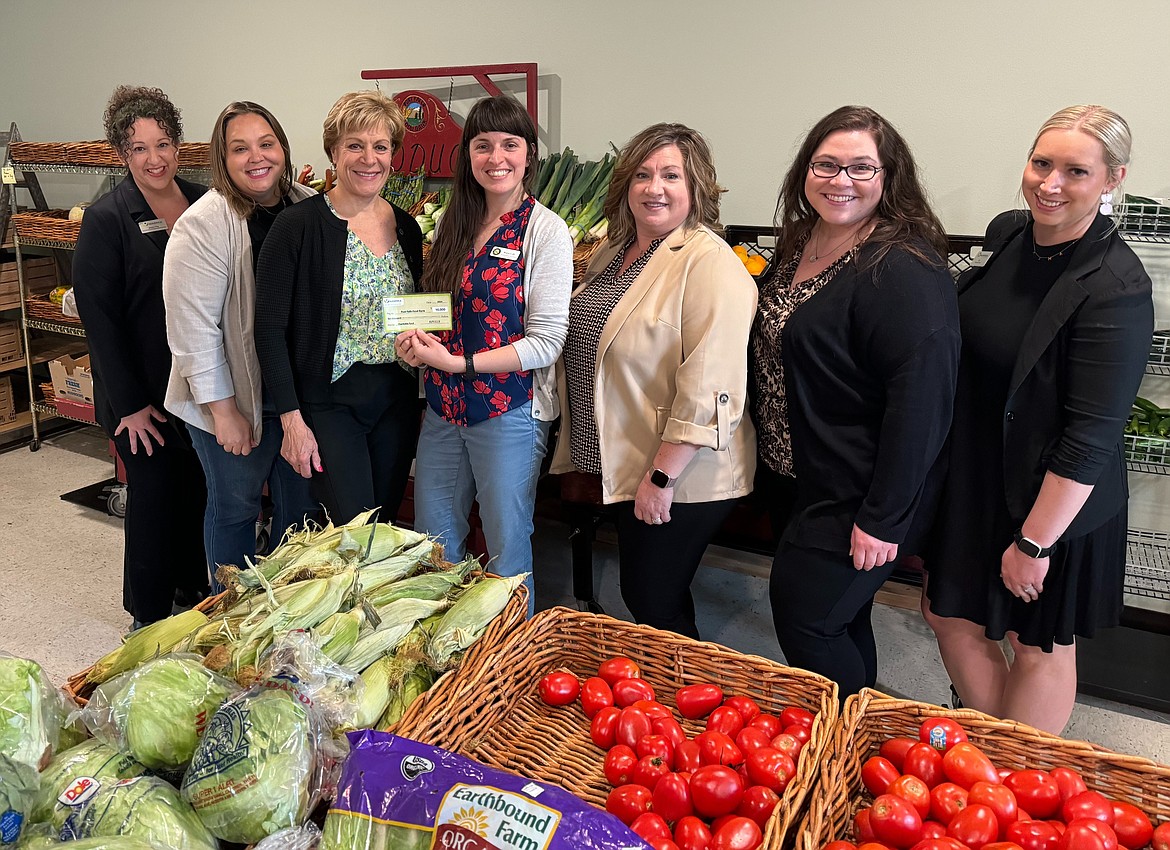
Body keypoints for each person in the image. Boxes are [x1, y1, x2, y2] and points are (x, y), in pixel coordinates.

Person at [921, 105, 1153, 734]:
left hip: (1051, 501)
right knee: (950, 615)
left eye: (1075, 171)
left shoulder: (1115, 285)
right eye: (1041, 163)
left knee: (1037, 642)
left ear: (1112, 179)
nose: (1049, 182)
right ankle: (996, 761)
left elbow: (1093, 434)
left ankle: (1012, 781)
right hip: (982, 478)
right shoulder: (1013, 239)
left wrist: (1034, 542)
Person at [754, 106, 960, 697]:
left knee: (807, 621)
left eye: (860, 168)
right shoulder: (801, 242)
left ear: (889, 178)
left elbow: (922, 404)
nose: (840, 180)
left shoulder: (903, 266)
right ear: (804, 172)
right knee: (842, 617)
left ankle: (846, 740)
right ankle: (855, 727)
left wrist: (882, 516)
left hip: (858, 490)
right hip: (796, 474)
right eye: (826, 165)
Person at [551, 122, 757, 639]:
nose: (654, 187)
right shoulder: (614, 253)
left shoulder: (710, 264)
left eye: (671, 175)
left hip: (681, 472)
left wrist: (661, 479)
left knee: (651, 595)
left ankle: (687, 702)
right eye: (642, 175)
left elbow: (710, 387)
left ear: (697, 188)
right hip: (629, 457)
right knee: (648, 589)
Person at [395, 95, 572, 613]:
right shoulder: (455, 222)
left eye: (509, 144)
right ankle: (448, 660)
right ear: (467, 155)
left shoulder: (546, 231)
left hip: (509, 412)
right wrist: (417, 347)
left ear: (529, 155)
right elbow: (439, 312)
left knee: (507, 549)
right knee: (434, 543)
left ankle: (509, 658)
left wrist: (459, 364)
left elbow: (545, 343)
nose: (496, 157)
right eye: (482, 145)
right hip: (444, 409)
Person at [163, 101, 320, 588]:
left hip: (295, 395)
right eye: (240, 148)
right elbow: (192, 328)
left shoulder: (308, 205)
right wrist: (223, 410)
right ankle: (227, 614)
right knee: (237, 506)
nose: (257, 157)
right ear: (222, 159)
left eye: (266, 143)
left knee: (300, 509)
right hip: (235, 396)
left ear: (283, 149)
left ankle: (286, 613)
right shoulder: (205, 224)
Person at [73, 85, 210, 628]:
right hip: (141, 395)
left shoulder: (204, 203)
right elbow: (99, 321)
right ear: (121, 154)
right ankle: (147, 614)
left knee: (197, 492)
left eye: (163, 143)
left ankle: (191, 589)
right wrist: (128, 404)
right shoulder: (108, 219)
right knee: (153, 501)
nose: (154, 158)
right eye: (138, 148)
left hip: (198, 388)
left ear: (178, 144)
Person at [255, 91, 424, 526]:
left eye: (380, 146)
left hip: (396, 399)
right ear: (333, 151)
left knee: (385, 524)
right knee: (354, 525)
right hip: (330, 403)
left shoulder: (406, 227)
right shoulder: (298, 226)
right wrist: (292, 421)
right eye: (355, 145)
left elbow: (418, 308)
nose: (369, 159)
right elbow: (269, 329)